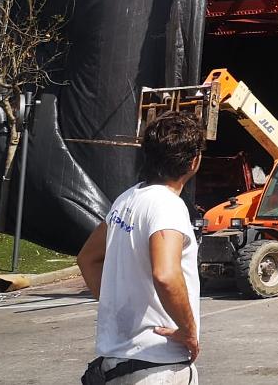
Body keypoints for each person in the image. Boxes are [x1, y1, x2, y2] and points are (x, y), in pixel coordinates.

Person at [76, 111, 205, 384]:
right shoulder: (167, 205)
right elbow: (166, 275)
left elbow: (87, 258)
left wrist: (121, 307)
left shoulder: (127, 200)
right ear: (194, 162)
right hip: (158, 365)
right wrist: (187, 331)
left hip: (116, 364)